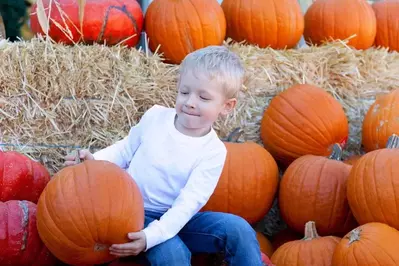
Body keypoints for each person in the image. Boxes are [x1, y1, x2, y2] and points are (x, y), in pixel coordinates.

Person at [64, 45, 264, 266]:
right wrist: (94, 162)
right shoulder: (156, 117)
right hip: (129, 212)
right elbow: (124, 150)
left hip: (178, 219)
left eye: (203, 97)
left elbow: (187, 205)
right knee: (173, 255)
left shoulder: (213, 152)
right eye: (184, 92)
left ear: (227, 106)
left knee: (238, 229)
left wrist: (153, 236)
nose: (190, 102)